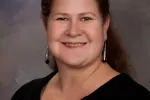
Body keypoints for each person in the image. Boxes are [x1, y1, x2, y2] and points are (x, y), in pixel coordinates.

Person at [11, 0, 150, 99]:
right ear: (46, 25)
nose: (73, 31)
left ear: (105, 26)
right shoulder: (25, 94)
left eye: (85, 18)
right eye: (62, 18)